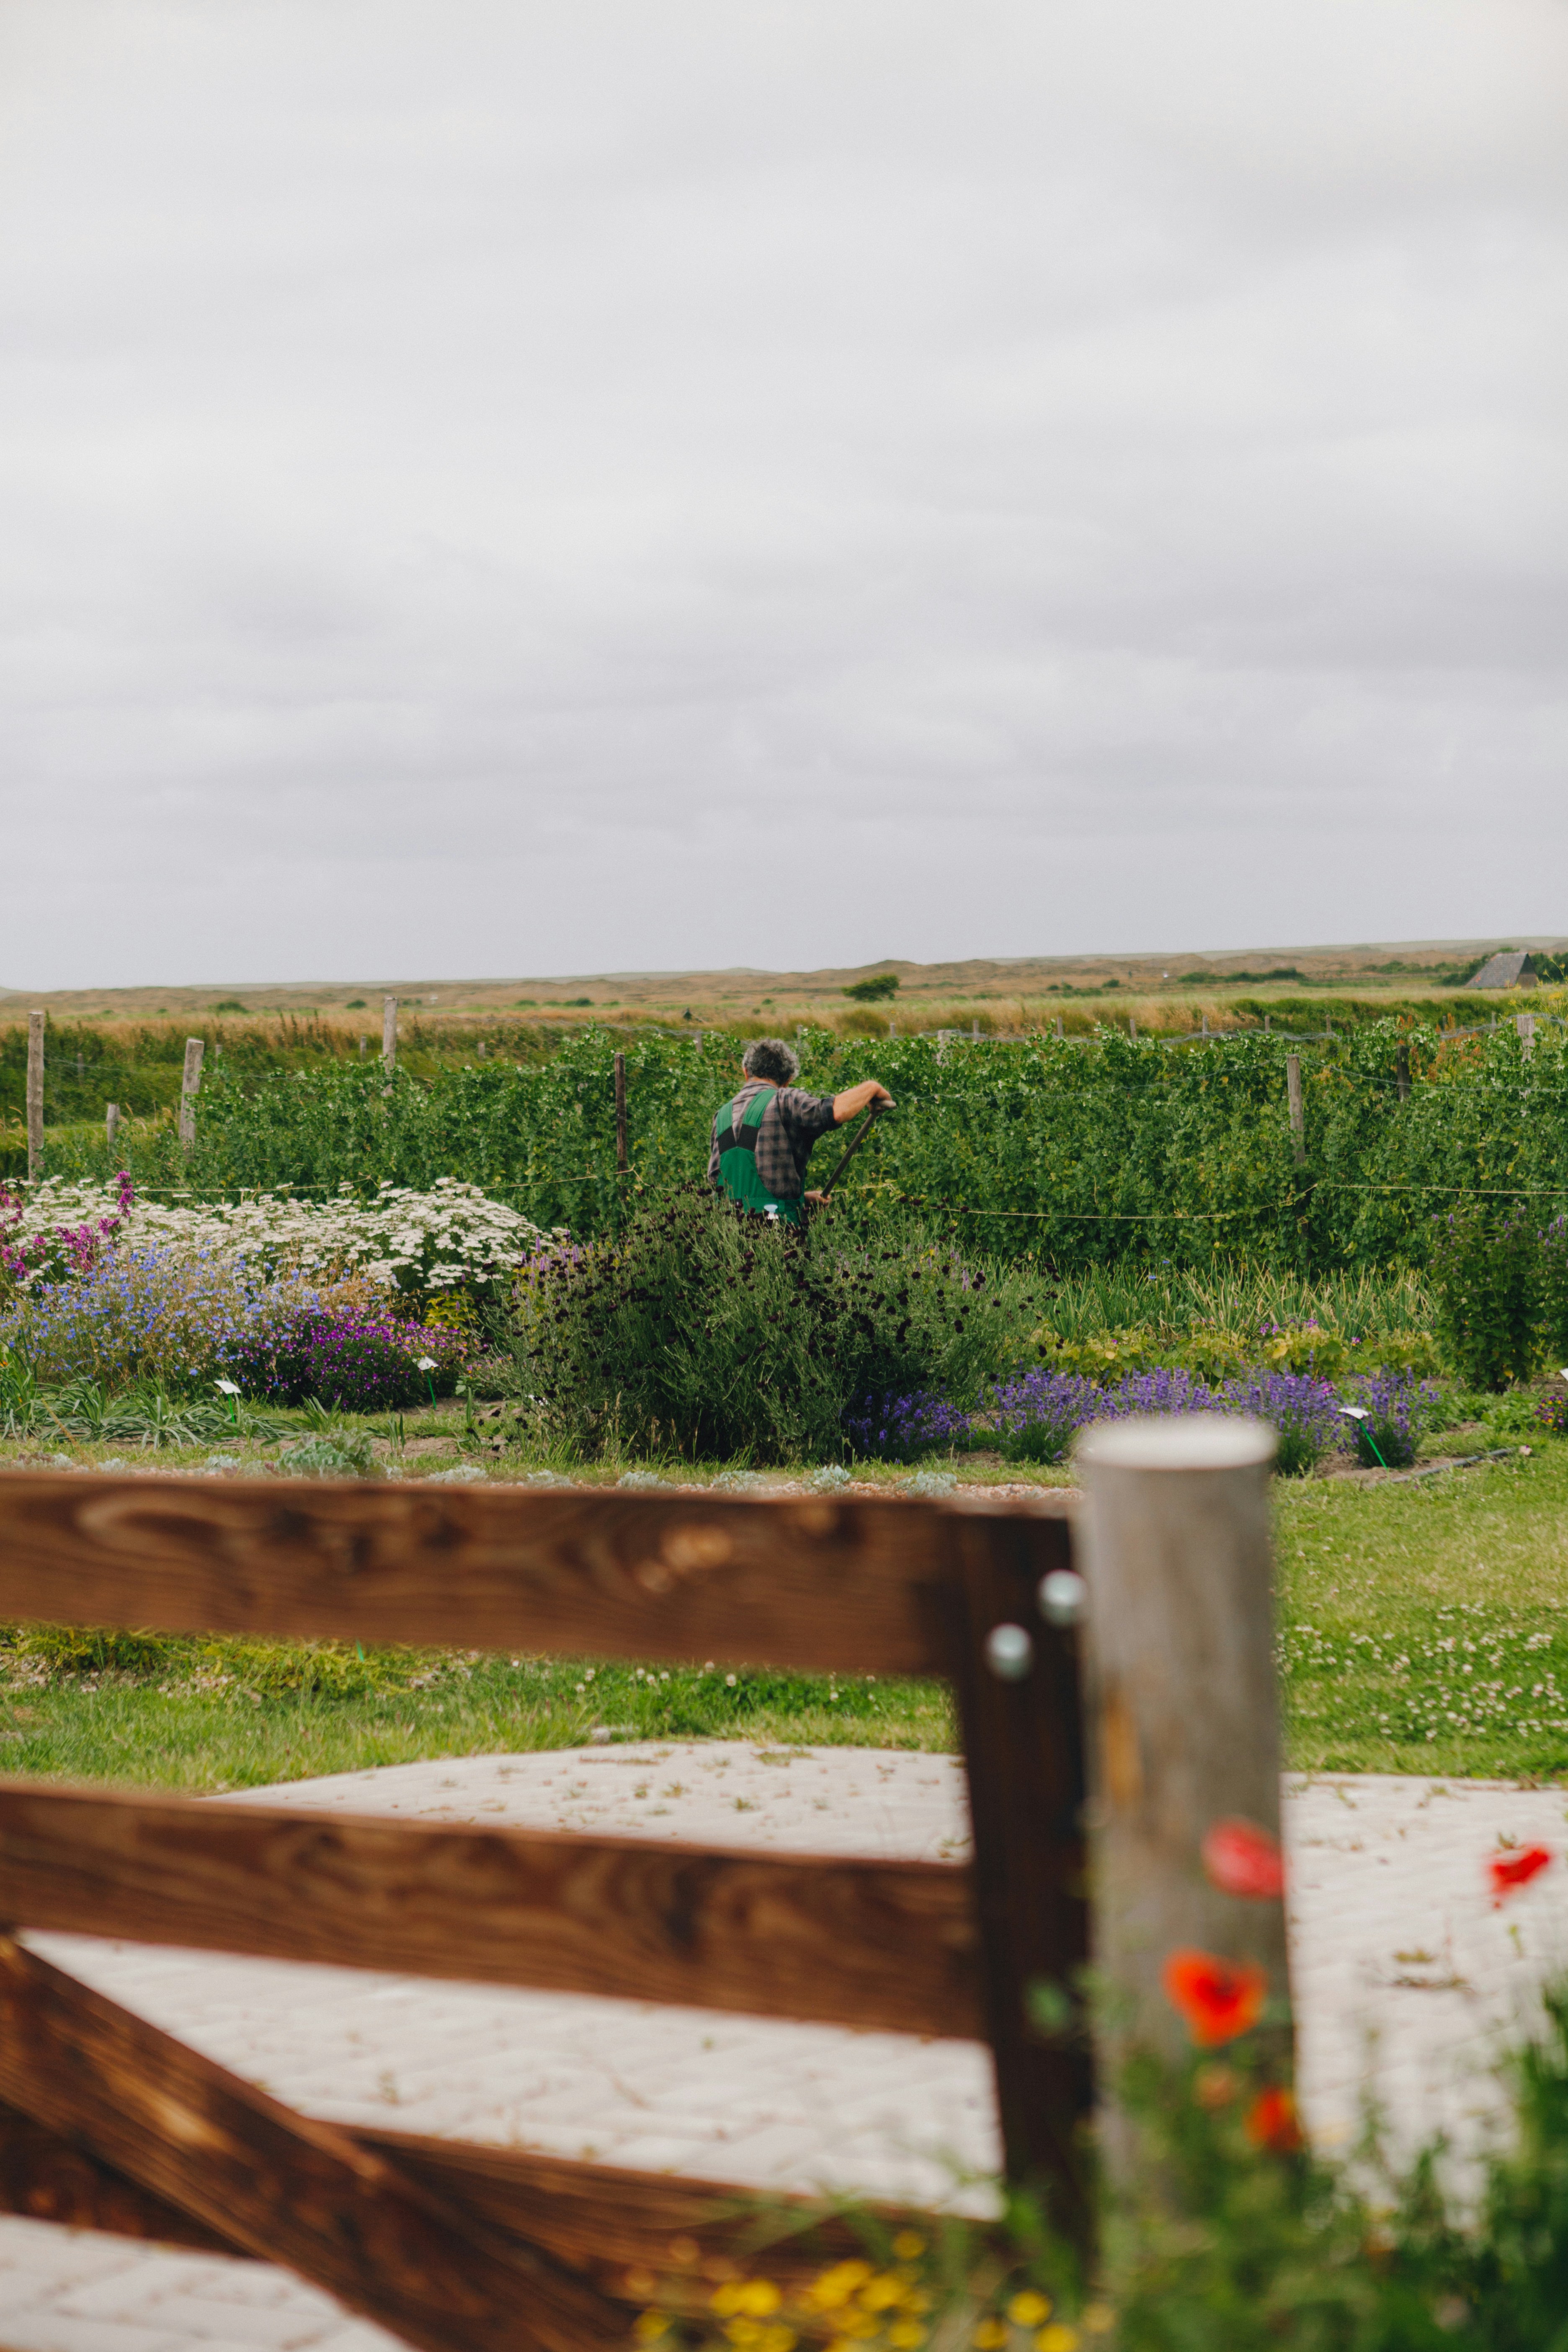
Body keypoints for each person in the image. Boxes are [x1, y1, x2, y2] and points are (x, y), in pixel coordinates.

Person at [709, 1039, 893, 1227]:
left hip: (726, 1234)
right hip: (777, 1234)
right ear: (788, 1080)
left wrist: (802, 1200)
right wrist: (872, 1088)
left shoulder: (722, 1116)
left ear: (746, 1073)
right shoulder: (785, 1099)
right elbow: (836, 1112)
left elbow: (719, 1182)